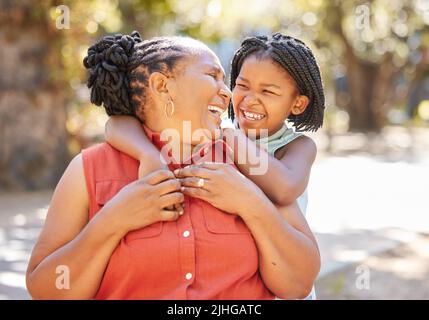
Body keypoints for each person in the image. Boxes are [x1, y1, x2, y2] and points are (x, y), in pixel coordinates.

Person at [26, 31, 320, 299]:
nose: (229, 93)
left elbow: (298, 285)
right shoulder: (90, 169)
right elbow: (46, 290)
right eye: (212, 75)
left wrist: (249, 200)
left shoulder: (250, 163)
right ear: (161, 85)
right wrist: (112, 220)